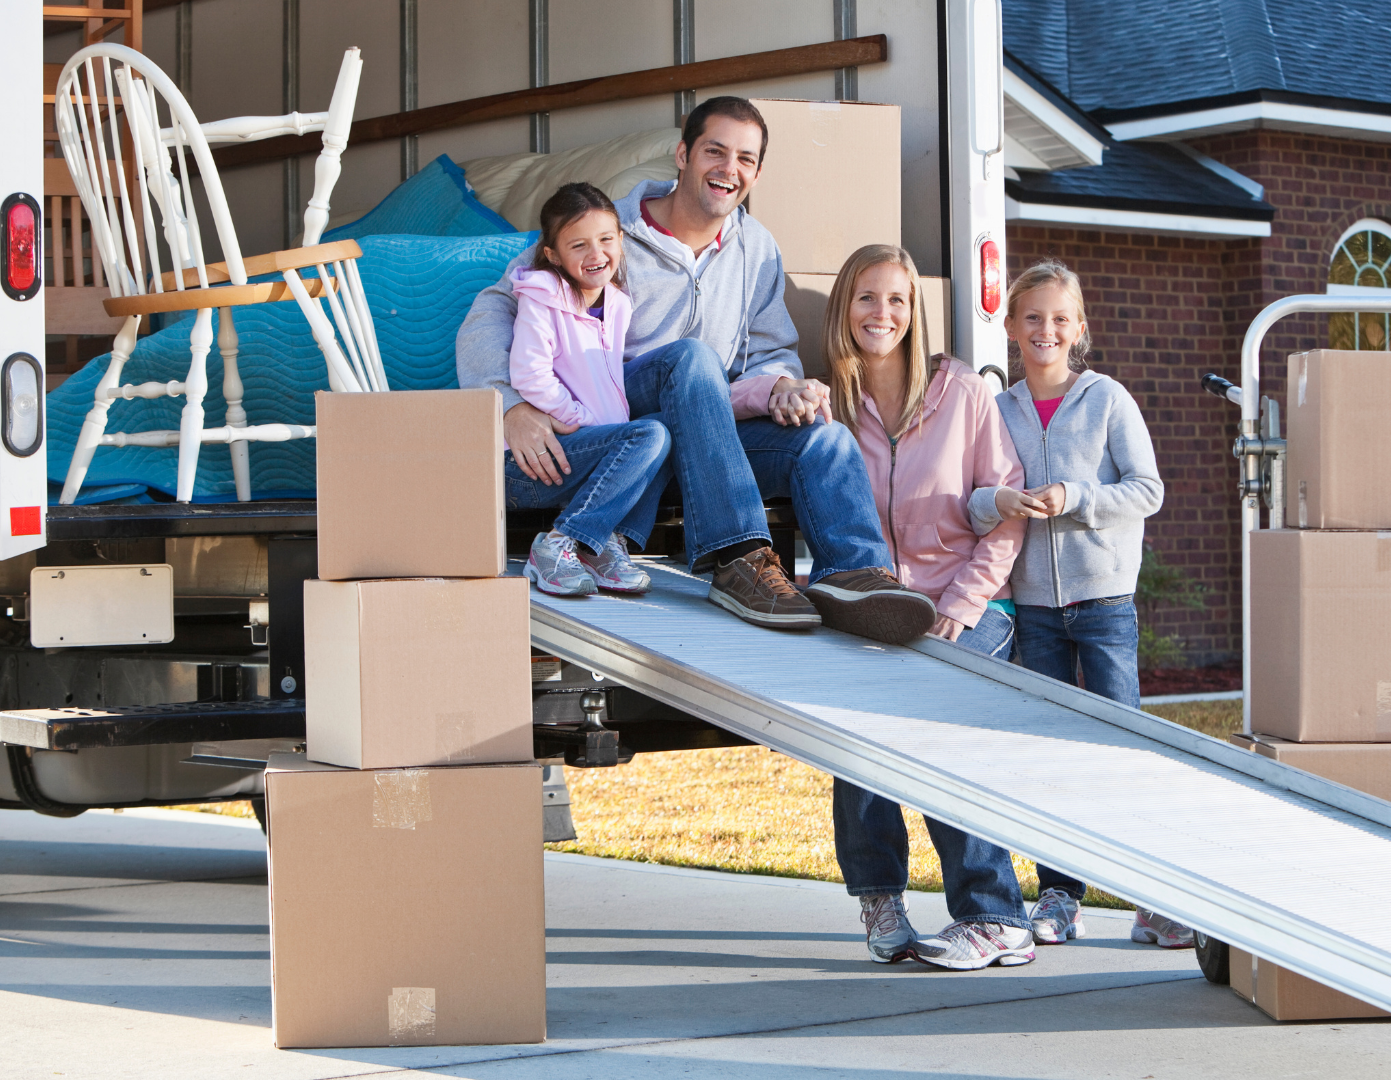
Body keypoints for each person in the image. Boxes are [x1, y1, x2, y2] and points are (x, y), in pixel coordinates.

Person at [457, 96, 935, 643]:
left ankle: (853, 574)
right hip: (620, 420)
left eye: (746, 159)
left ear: (756, 173)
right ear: (682, 155)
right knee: (692, 358)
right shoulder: (606, 231)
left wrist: (783, 384)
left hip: (710, 438)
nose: (729, 169)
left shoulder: (757, 248)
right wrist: (511, 406)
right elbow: (492, 311)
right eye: (715, 151)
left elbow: (771, 349)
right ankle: (737, 556)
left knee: (825, 439)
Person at [820, 244, 1037, 970]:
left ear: (915, 313)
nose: (882, 313)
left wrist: (963, 604)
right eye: (867, 297)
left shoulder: (963, 393)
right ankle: (879, 895)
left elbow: (1006, 512)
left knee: (937, 726)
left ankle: (995, 917)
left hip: (969, 606)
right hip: (872, 608)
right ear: (844, 308)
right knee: (853, 726)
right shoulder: (831, 403)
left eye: (897, 300)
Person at [969, 258, 1194, 950]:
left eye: (1060, 318)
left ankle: (1153, 902)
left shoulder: (1107, 399)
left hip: (1103, 604)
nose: (1047, 329)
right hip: (1033, 610)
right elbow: (970, 500)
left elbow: (1148, 490)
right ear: (1011, 327)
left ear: (1079, 328)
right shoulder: (996, 409)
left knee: (1122, 752)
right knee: (1051, 758)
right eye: (1033, 317)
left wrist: (1075, 497)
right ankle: (1061, 897)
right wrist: (998, 501)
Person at [505, 182, 665, 597]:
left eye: (606, 240)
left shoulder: (618, 303)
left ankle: (602, 545)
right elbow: (530, 374)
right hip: (537, 460)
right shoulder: (542, 296)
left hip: (588, 452)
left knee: (669, 428)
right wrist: (580, 419)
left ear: (621, 240)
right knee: (649, 434)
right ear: (553, 254)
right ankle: (557, 544)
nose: (596, 254)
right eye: (579, 245)